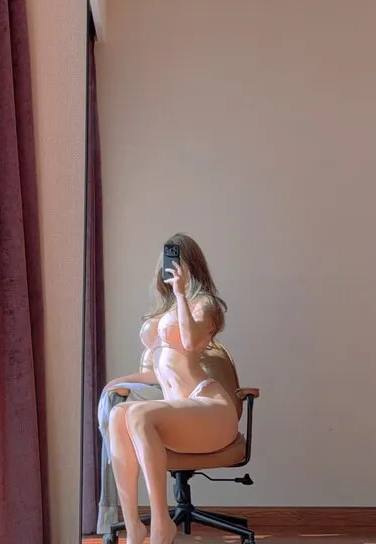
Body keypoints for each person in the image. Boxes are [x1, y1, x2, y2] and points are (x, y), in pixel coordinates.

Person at [104, 233, 238, 544]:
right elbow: (159, 373)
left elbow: (189, 343)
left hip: (210, 407)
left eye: (179, 259)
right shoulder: (167, 310)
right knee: (118, 414)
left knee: (137, 414)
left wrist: (180, 293)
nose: (171, 266)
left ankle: (161, 523)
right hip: (182, 411)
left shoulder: (205, 304)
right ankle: (134, 527)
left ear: (192, 264)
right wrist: (118, 381)